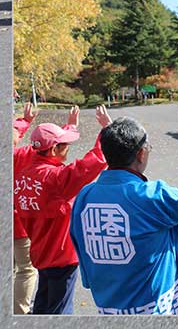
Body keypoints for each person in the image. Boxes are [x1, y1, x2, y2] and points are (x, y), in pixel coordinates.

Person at [71, 117, 178, 314]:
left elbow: (80, 242)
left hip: (107, 305)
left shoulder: (84, 195)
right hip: (153, 308)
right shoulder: (150, 196)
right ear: (141, 153)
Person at [14, 106, 111, 314]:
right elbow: (92, 163)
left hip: (41, 252)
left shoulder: (23, 177)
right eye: (65, 145)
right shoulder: (55, 179)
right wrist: (107, 131)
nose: (67, 149)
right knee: (60, 310)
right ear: (53, 150)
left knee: (43, 304)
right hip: (61, 255)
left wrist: (70, 126)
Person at [12, 102, 40, 314]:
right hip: (17, 222)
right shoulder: (20, 156)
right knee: (26, 270)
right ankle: (20, 312)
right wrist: (70, 127)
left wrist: (25, 121)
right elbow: (46, 146)